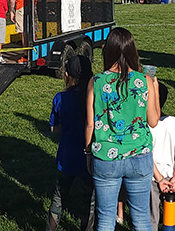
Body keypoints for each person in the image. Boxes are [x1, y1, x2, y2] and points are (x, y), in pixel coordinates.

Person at [86, 27, 160, 231]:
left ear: (107, 51)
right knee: (141, 217)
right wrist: (154, 89)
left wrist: (88, 153)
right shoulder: (144, 81)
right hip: (139, 155)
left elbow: (90, 124)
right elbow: (153, 121)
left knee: (105, 218)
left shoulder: (96, 81)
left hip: (105, 157)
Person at [45, 54, 96, 231]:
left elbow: (54, 130)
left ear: (67, 75)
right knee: (88, 202)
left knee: (58, 198)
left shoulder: (60, 98)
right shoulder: (96, 98)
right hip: (89, 158)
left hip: (66, 158)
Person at [151, 84, 175, 231]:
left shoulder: (144, 125)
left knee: (151, 219)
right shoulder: (174, 122)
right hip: (170, 180)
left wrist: (160, 178)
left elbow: (146, 155)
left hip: (152, 178)